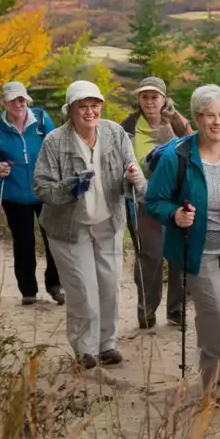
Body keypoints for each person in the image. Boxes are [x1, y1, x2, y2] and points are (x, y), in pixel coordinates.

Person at [145, 84, 220, 408]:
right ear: (197, 118)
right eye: (210, 115)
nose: (217, 122)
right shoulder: (177, 156)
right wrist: (175, 215)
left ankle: (218, 382)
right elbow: (154, 200)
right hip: (195, 252)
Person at [32, 80, 146, 369]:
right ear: (70, 109)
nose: (89, 111)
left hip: (108, 223)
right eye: (82, 106)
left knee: (109, 286)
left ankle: (107, 344)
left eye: (94, 105)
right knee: (83, 290)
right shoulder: (55, 141)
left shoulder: (115, 132)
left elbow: (133, 174)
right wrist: (68, 188)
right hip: (69, 229)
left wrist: (133, 180)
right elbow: (41, 188)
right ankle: (85, 349)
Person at [0, 81, 63, 306]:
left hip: (45, 191)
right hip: (13, 194)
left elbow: (58, 147)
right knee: (23, 242)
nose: (19, 103)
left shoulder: (41, 119)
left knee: (54, 239)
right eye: (14, 99)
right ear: (3, 102)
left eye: (22, 98)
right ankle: (28, 291)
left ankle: (56, 286)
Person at [121, 76, 193, 328]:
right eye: (144, 97)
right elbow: (119, 160)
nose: (150, 101)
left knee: (179, 255)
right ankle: (146, 311)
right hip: (143, 200)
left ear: (164, 99)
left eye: (155, 97)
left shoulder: (177, 123)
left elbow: (195, 149)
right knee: (150, 255)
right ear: (139, 99)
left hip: (176, 199)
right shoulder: (128, 127)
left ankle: (177, 311)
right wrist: (127, 176)